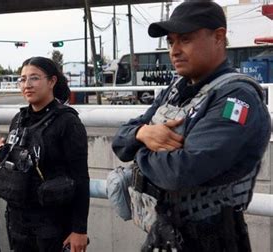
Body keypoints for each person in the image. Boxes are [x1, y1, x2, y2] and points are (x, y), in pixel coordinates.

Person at [111, 2, 271, 251]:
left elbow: (180, 172)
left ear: (218, 37)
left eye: (185, 39)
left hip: (212, 238)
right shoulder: (176, 91)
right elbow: (120, 141)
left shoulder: (236, 98)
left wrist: (140, 150)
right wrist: (143, 133)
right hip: (164, 233)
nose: (174, 50)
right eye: (171, 42)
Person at [0, 57, 90, 252]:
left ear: (52, 81)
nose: (27, 85)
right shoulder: (18, 119)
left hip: (53, 222)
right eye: (22, 79)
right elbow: (18, 165)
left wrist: (79, 230)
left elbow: (80, 178)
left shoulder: (67, 122)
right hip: (18, 220)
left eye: (34, 78)